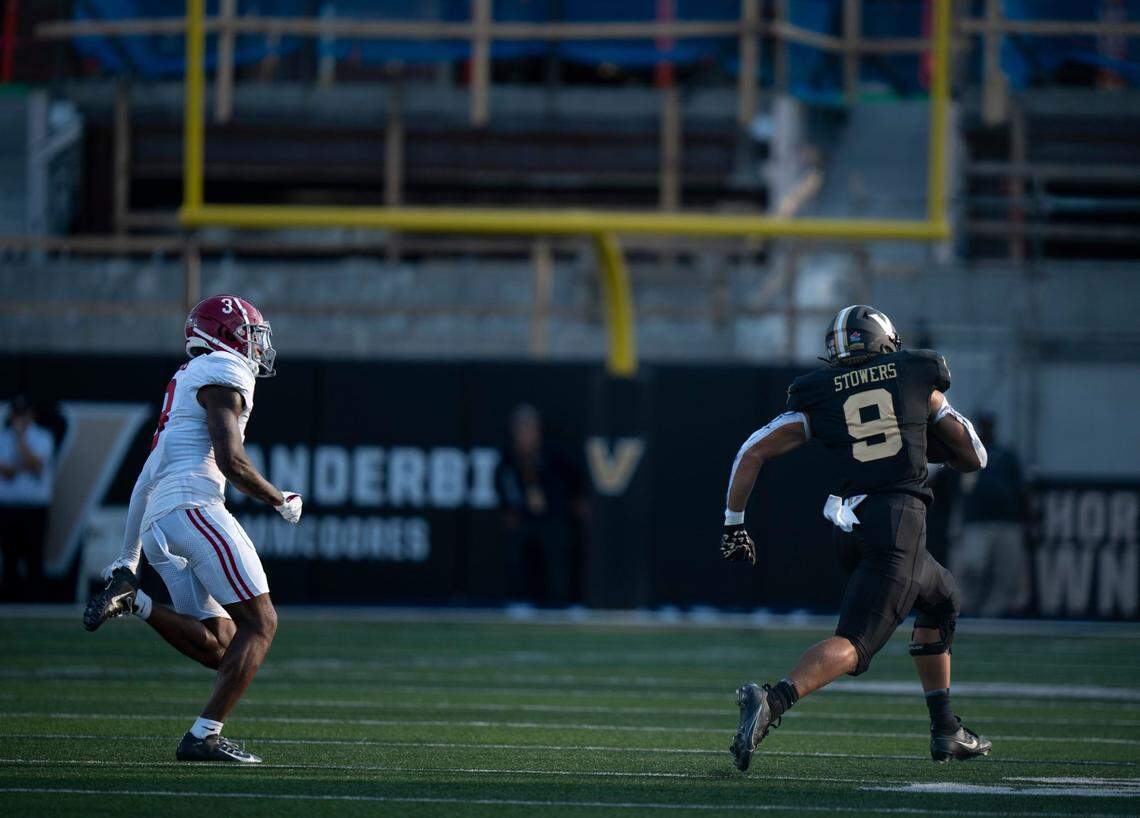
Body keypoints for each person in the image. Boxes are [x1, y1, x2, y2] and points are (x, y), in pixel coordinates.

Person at [720, 304, 992, 770]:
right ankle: (772, 701)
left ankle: (946, 729)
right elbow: (975, 457)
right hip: (897, 522)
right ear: (886, 342)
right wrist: (932, 413)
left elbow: (752, 452)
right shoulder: (914, 374)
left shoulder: (819, 392)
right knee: (856, 644)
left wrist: (733, 524)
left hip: (851, 525)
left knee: (941, 598)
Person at [83, 294, 304, 763]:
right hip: (195, 505)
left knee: (222, 644)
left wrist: (129, 560)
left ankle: (138, 604)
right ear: (224, 336)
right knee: (262, 622)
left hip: (164, 518)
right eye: (249, 334)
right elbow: (231, 459)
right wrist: (278, 498)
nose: (256, 346)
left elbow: (145, 478)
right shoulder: (225, 370)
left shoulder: (186, 380)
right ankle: (203, 736)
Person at [496, 404, 588, 606]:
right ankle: (519, 600)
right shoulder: (509, 457)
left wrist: (577, 500)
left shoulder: (554, 454)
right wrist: (510, 508)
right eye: (521, 430)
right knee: (516, 546)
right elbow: (504, 486)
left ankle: (563, 602)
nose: (525, 435)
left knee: (560, 547)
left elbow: (575, 477)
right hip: (525, 517)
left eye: (529, 429)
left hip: (554, 515)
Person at [950, 413, 1030, 617]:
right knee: (973, 565)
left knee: (1005, 571)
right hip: (976, 521)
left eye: (989, 426)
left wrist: (1027, 518)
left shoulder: (1006, 455)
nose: (986, 430)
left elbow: (1021, 489)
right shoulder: (966, 453)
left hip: (1006, 521)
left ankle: (994, 611)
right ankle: (968, 607)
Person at [0, 395, 56, 600]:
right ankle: (9, 599)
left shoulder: (43, 437)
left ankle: (34, 598)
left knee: (34, 556)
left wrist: (21, 441)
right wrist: (23, 464)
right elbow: (6, 471)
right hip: (8, 507)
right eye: (16, 415)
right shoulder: (3, 437)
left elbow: (37, 465)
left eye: (23, 415)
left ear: (31, 415)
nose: (19, 420)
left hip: (35, 508)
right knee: (10, 557)